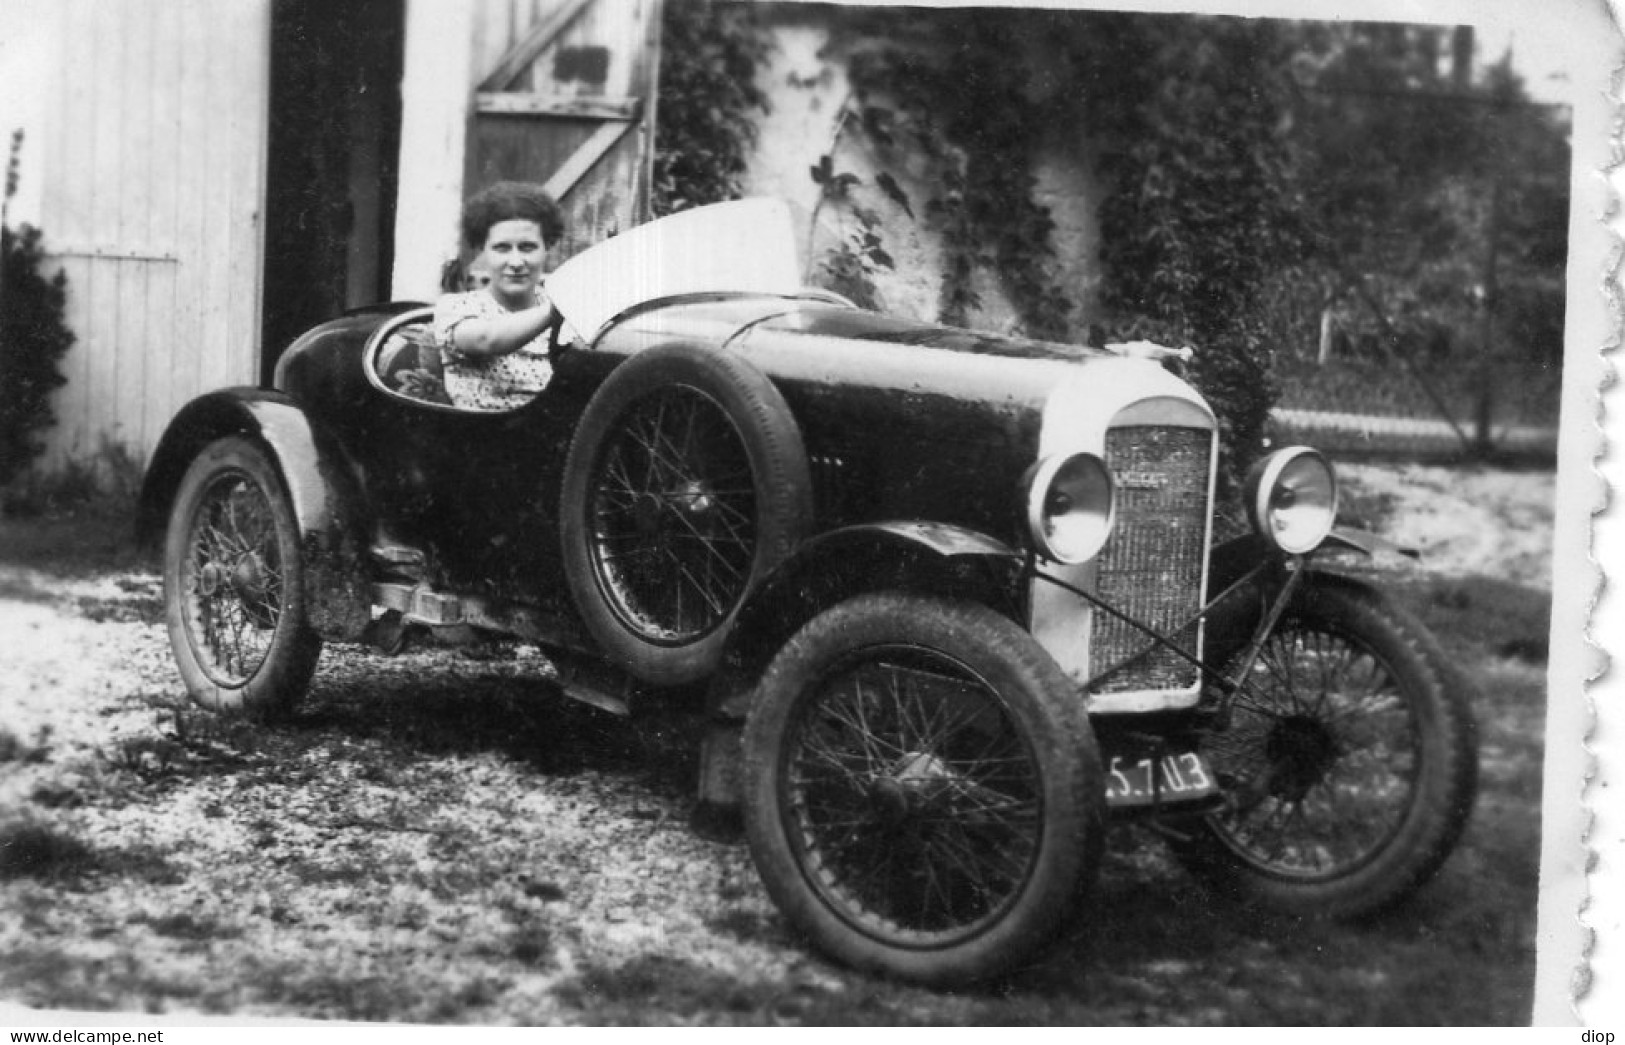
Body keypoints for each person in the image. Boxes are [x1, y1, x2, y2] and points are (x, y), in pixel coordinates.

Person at [432, 182, 565, 411]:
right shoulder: (457, 308)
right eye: (502, 248)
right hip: (485, 439)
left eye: (527, 247)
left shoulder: (557, 306)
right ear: (482, 250)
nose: (515, 262)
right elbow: (488, 339)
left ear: (547, 248)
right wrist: (561, 307)